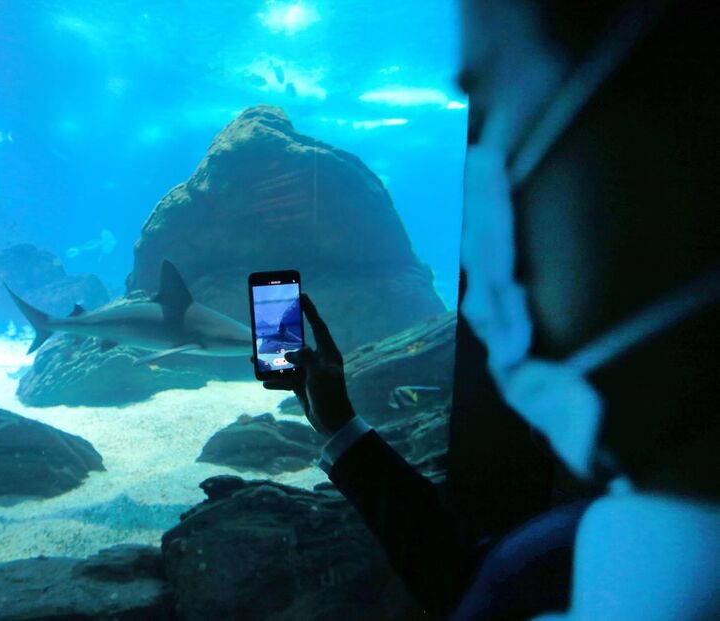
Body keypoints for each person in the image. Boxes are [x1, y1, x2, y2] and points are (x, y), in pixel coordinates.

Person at [263, 2, 719, 618]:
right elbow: (482, 581)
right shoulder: (610, 543)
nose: (491, 215)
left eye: (502, 124)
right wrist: (341, 428)